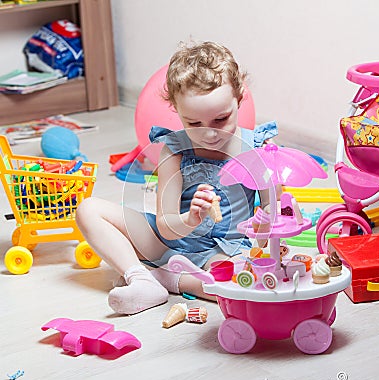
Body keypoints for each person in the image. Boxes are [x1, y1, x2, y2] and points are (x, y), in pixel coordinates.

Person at [76, 41, 278, 315]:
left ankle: (166, 279)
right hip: (167, 241)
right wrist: (190, 219)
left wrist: (266, 225)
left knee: (238, 288)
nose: (209, 134)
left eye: (221, 119)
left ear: (239, 97)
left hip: (225, 251)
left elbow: (274, 216)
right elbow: (166, 223)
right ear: (176, 109)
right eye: (194, 124)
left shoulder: (258, 148)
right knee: (89, 209)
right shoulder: (174, 149)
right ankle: (142, 278)